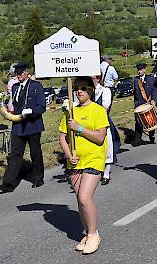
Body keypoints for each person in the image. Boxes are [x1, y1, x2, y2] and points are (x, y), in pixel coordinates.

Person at [58, 76, 109, 255]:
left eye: (83, 88)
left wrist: (79, 128)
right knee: (80, 201)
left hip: (94, 159)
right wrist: (68, 154)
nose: (79, 91)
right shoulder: (70, 112)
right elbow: (62, 137)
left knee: (85, 198)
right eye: (77, 88)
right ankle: (88, 234)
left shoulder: (98, 110)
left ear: (91, 90)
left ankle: (94, 234)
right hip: (75, 162)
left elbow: (100, 137)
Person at [0, 63, 46, 193]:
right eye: (16, 73)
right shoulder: (15, 87)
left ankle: (38, 178)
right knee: (15, 154)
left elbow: (42, 107)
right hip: (18, 125)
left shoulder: (36, 86)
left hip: (33, 124)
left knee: (35, 152)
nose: (18, 75)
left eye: (21, 73)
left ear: (26, 72)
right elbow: (14, 105)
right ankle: (8, 184)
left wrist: (31, 111)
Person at [92, 75, 120, 185]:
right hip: (89, 125)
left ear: (98, 78)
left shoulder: (105, 91)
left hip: (102, 123)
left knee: (107, 147)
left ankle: (106, 174)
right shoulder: (87, 92)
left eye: (93, 78)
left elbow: (105, 108)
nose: (91, 80)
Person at [132, 63, 157, 146]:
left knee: (150, 120)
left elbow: (154, 90)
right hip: (139, 104)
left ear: (144, 70)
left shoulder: (150, 79)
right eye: (138, 70)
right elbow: (135, 94)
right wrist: (135, 105)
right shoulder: (136, 80)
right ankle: (137, 139)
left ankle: (152, 136)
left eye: (140, 70)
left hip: (148, 103)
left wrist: (154, 100)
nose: (139, 71)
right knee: (138, 122)